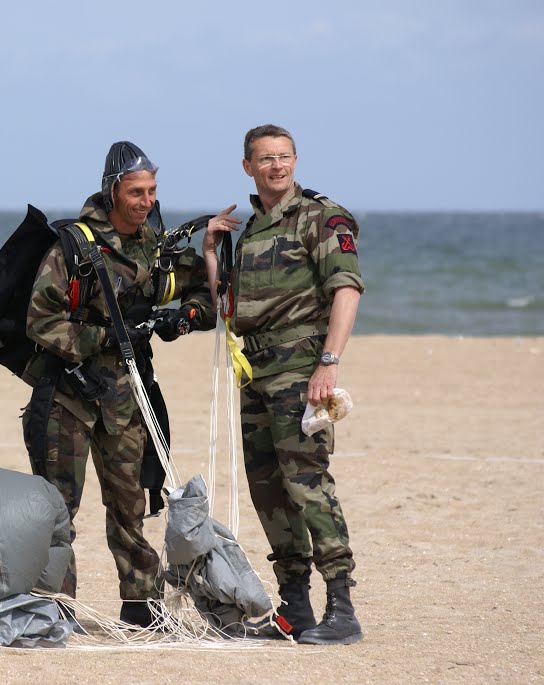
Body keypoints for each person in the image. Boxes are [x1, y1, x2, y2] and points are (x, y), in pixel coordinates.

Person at [21, 141, 215, 628]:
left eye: (151, 190)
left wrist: (184, 317)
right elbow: (41, 322)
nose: (146, 200)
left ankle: (141, 605)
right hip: (70, 395)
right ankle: (55, 606)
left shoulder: (155, 245)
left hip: (127, 396)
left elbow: (206, 294)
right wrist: (106, 335)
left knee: (130, 504)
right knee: (57, 508)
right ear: (112, 191)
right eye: (136, 191)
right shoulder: (74, 245)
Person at [202, 124, 364, 645]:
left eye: (285, 157)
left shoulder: (320, 217)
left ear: (296, 161)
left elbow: (346, 289)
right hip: (255, 375)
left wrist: (330, 363)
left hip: (301, 373)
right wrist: (210, 251)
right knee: (269, 491)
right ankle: (295, 609)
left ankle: (342, 608)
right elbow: (229, 306)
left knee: (307, 483)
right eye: (266, 159)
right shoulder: (249, 232)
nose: (277, 166)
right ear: (248, 166)